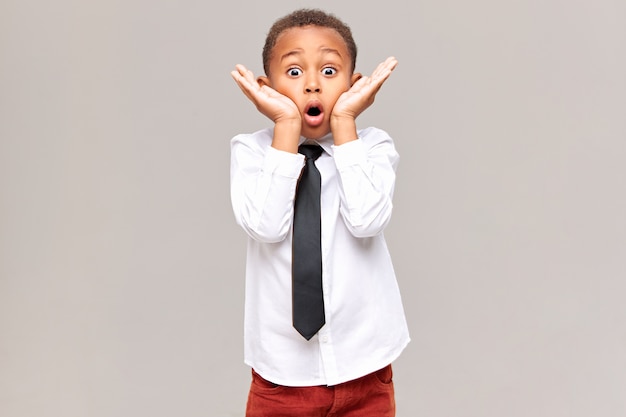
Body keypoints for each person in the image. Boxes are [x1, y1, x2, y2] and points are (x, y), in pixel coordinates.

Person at [229, 8, 410, 417]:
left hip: (365, 369)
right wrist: (285, 127)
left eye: (329, 71)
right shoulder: (252, 152)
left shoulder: (372, 148)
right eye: (294, 73)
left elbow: (367, 220)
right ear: (266, 86)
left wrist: (345, 121)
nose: (312, 84)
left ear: (354, 84)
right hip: (282, 377)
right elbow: (266, 226)